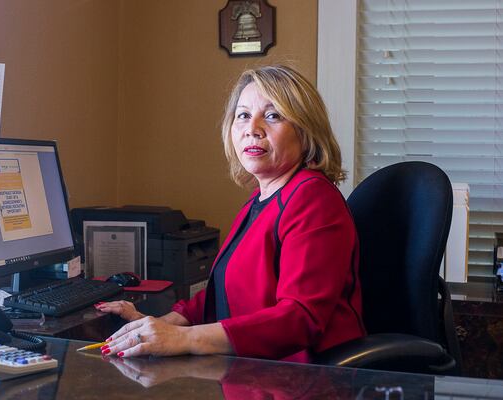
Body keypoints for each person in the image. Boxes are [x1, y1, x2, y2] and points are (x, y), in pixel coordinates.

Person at [95, 65, 365, 362]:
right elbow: (223, 293)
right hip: (255, 370)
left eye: (273, 115)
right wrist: (153, 326)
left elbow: (301, 319)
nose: (252, 128)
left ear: (305, 130)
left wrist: (184, 337)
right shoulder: (260, 200)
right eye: (243, 115)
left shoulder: (313, 199)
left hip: (305, 380)